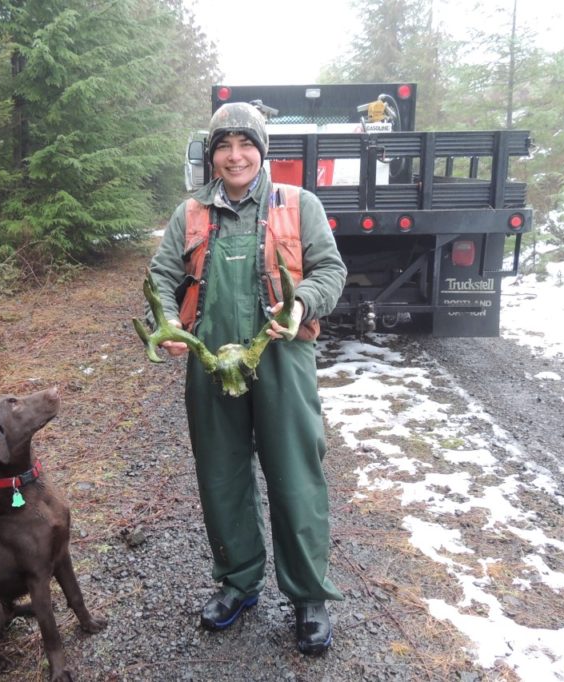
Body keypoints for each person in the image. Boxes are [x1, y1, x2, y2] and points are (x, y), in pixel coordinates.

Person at [147, 101, 347, 655]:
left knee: (296, 476)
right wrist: (164, 320)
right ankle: (239, 583)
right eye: (223, 146)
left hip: (283, 359)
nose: (235, 156)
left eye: (245, 145)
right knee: (221, 477)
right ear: (212, 155)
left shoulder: (297, 204)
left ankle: (308, 595)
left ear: (262, 151)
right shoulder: (189, 213)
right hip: (209, 364)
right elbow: (161, 277)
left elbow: (331, 270)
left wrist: (302, 305)